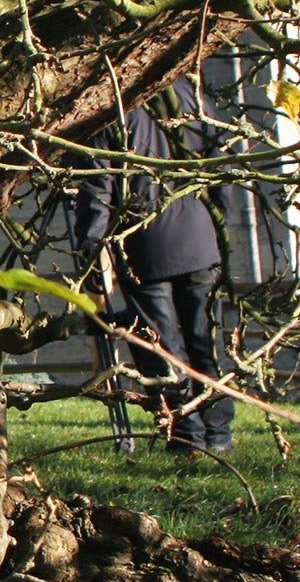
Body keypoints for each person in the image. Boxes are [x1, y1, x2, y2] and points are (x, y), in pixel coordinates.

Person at [74, 77, 235, 457]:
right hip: (201, 237)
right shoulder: (192, 96)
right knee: (206, 340)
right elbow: (222, 164)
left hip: (145, 247)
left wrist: (91, 257)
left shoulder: (112, 108)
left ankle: (186, 433)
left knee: (161, 348)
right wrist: (220, 230)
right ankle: (217, 431)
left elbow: (99, 189)